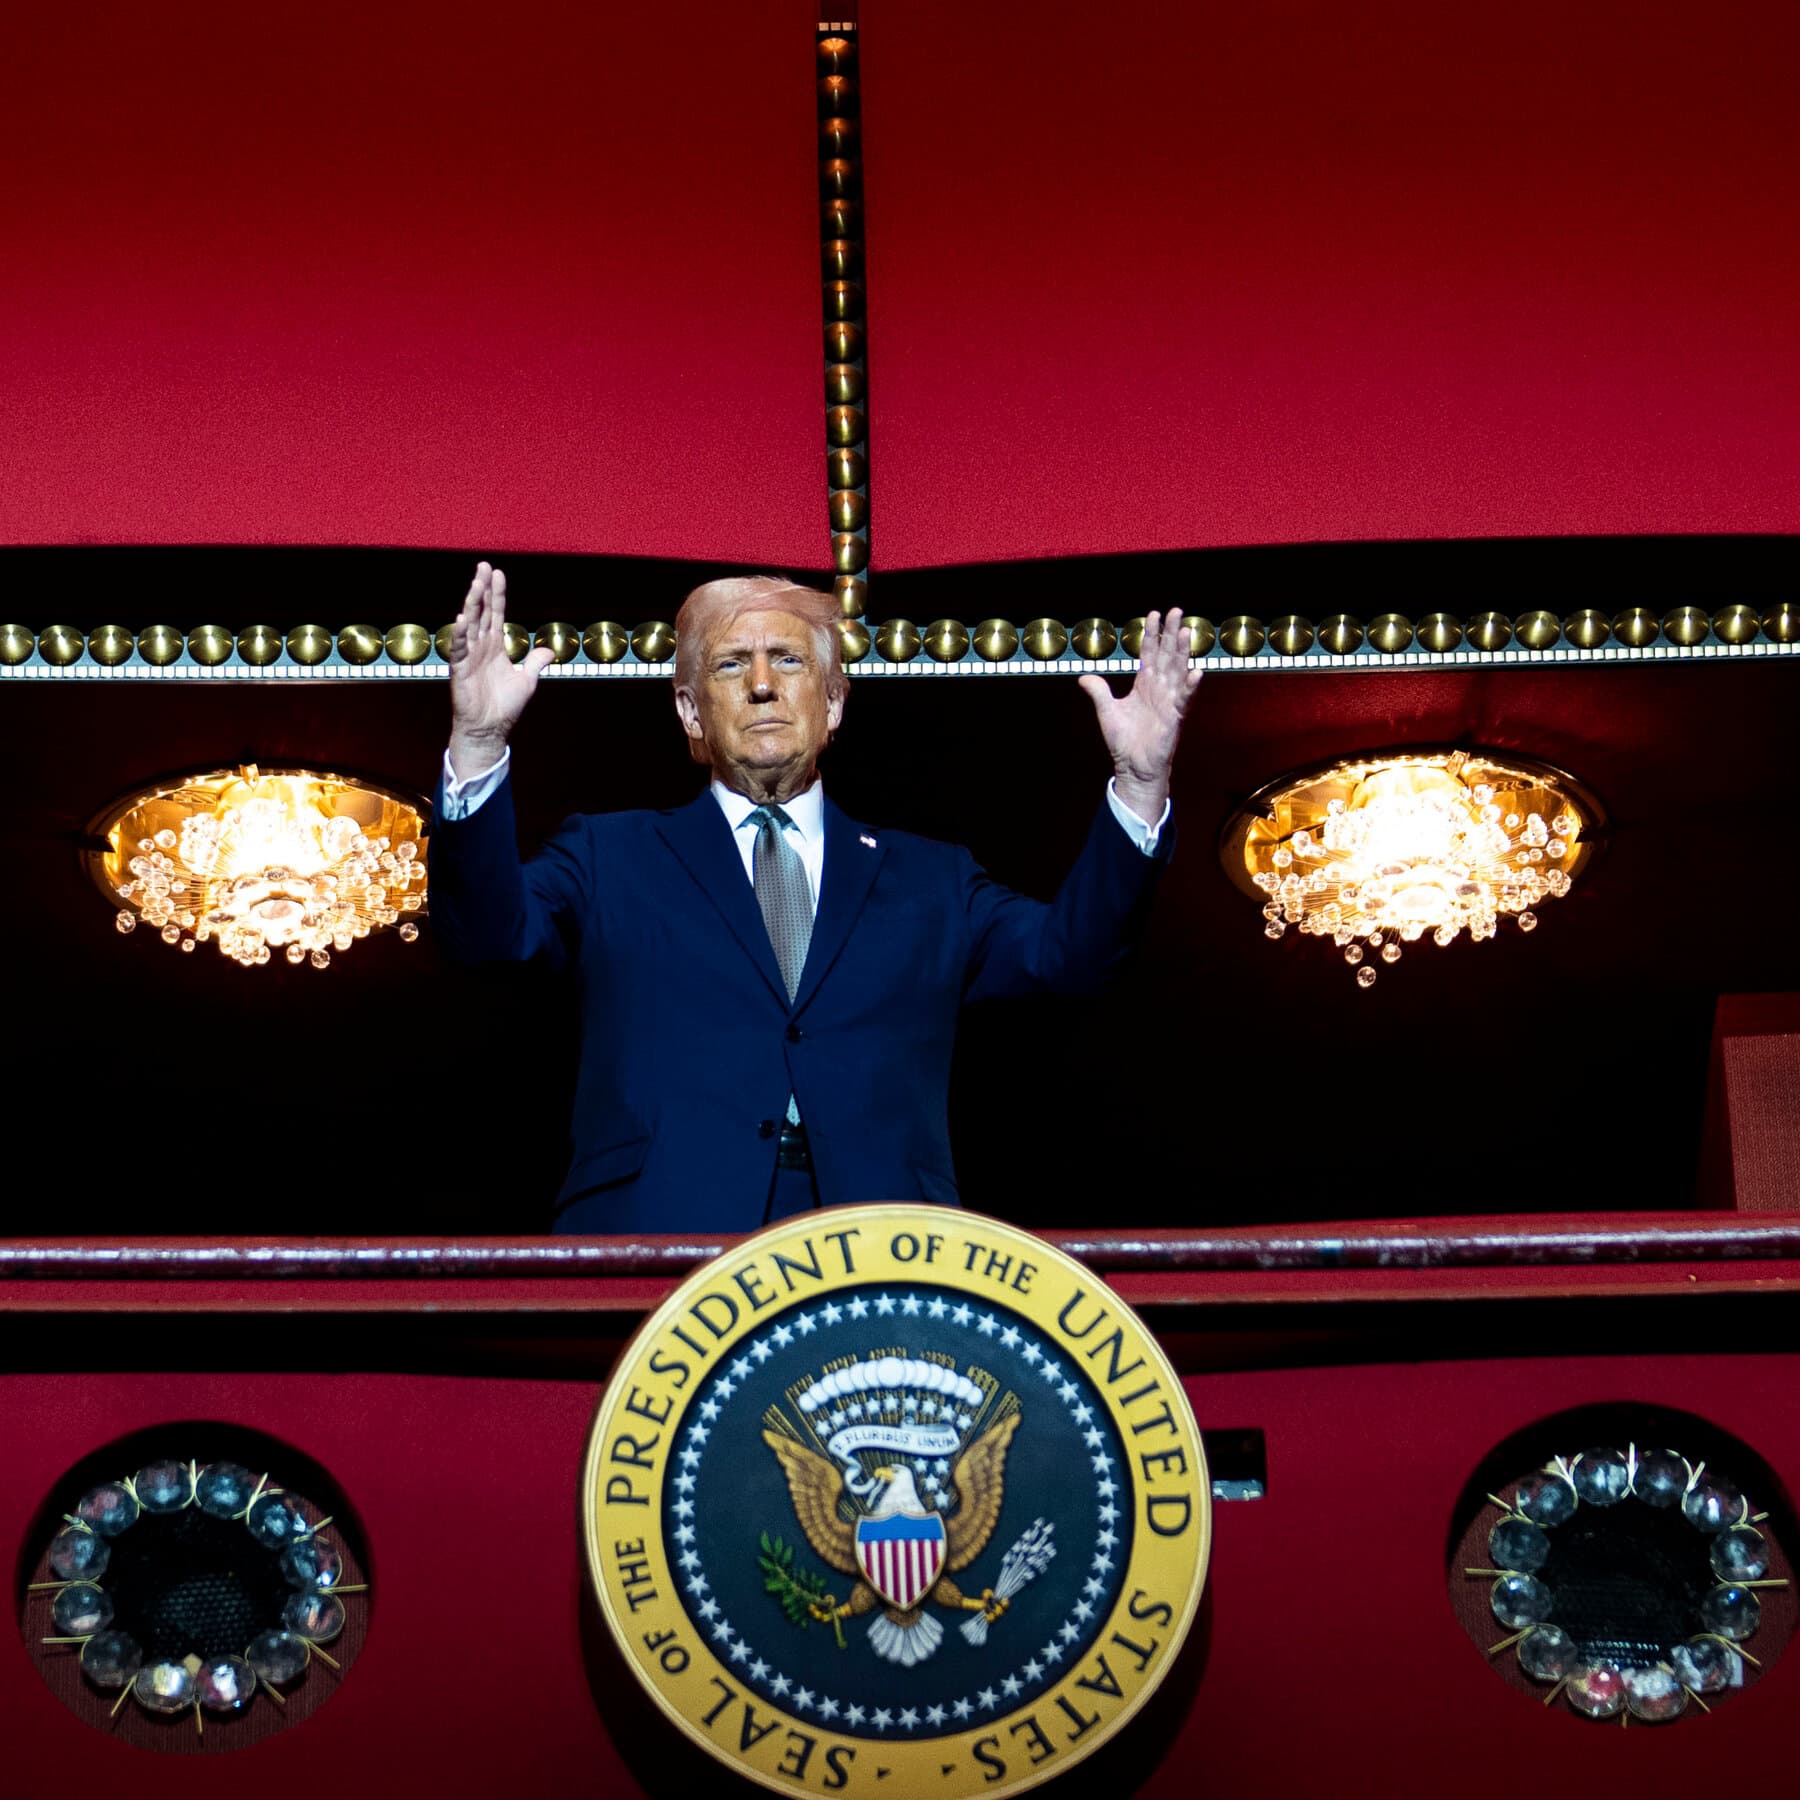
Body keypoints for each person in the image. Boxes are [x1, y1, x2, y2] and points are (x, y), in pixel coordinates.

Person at [429, 563, 1201, 1232]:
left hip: (880, 1239)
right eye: (731, 665)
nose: (762, 683)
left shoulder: (933, 880)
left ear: (832, 704)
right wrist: (478, 744)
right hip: (664, 1233)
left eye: (788, 660)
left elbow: (1069, 960)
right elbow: (488, 937)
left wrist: (1138, 785)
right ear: (690, 711)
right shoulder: (609, 855)